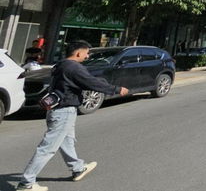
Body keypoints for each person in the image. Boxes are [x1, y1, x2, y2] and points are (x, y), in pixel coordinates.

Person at [16, 40, 129, 191]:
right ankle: (26, 183)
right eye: (86, 53)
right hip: (64, 111)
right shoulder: (74, 67)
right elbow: (91, 82)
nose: (87, 56)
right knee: (47, 148)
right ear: (78, 53)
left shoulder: (61, 64)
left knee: (67, 142)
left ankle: (78, 168)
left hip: (59, 109)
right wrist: (116, 89)